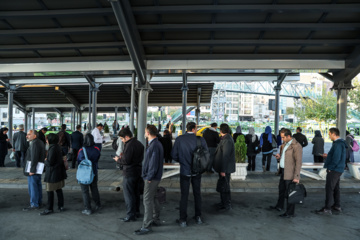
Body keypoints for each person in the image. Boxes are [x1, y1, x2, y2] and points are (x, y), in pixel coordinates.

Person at [171, 122, 208, 227]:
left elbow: (174, 155)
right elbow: (206, 154)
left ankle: (183, 220)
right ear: (194, 128)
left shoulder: (179, 139)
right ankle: (198, 217)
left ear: (186, 128)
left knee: (184, 195)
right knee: (197, 194)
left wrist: (183, 161)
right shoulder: (200, 140)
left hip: (185, 171)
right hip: (197, 172)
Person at [134, 125, 164, 235]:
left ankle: (146, 226)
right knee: (154, 197)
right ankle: (155, 219)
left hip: (151, 178)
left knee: (147, 200)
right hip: (154, 177)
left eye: (145, 131)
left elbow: (153, 164)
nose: (144, 133)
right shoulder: (155, 144)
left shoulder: (154, 145)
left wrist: (149, 177)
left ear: (148, 133)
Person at [113, 128, 144, 222]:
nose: (122, 141)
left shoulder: (130, 145)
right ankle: (137, 212)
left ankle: (130, 215)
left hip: (129, 172)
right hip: (138, 171)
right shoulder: (139, 144)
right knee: (136, 193)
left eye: (122, 139)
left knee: (129, 195)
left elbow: (126, 161)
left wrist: (118, 159)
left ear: (127, 137)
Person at [271, 128, 302, 218]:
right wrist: (279, 157)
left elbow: (298, 162)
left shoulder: (296, 146)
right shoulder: (285, 144)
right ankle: (279, 206)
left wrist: (296, 176)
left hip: (290, 173)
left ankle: (290, 212)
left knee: (290, 193)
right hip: (283, 171)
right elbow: (286, 157)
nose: (282, 139)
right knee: (281, 190)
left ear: (289, 136)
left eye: (283, 137)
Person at [316, 128, 347, 215]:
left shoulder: (337, 144)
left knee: (329, 188)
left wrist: (330, 168)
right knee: (336, 188)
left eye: (329, 134)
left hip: (334, 169)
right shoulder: (341, 143)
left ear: (333, 134)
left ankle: (327, 208)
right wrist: (328, 156)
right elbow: (337, 156)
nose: (328, 136)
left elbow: (336, 158)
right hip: (338, 169)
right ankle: (337, 205)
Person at [40, 133, 67, 215]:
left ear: (50, 140)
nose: (46, 141)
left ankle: (49, 208)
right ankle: (60, 206)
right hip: (59, 172)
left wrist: (45, 160)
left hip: (52, 173)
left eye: (47, 139)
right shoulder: (58, 147)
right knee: (59, 189)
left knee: (50, 191)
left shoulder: (52, 148)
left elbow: (50, 162)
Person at [77, 133, 101, 215]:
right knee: (94, 188)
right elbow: (97, 158)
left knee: (85, 191)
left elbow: (79, 160)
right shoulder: (96, 148)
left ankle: (88, 208)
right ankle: (98, 204)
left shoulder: (82, 150)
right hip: (94, 171)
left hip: (84, 173)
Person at [213, 123, 235, 211]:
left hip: (225, 169)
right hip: (223, 168)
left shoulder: (227, 140)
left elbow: (225, 156)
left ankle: (226, 204)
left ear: (221, 130)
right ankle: (223, 202)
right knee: (223, 185)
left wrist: (223, 170)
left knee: (225, 186)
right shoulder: (226, 138)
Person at [23, 130, 46, 211]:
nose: (27, 136)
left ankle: (34, 204)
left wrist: (32, 170)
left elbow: (34, 157)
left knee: (33, 187)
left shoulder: (35, 143)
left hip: (33, 169)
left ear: (34, 136)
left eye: (29, 134)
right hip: (38, 168)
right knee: (37, 185)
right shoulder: (39, 142)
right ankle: (38, 202)